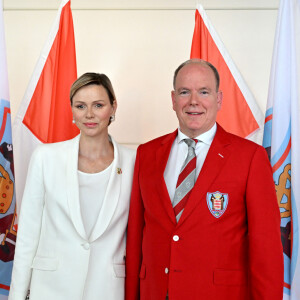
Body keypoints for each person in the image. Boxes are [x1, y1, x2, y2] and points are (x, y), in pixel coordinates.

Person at [125, 59, 283, 300]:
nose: (193, 101)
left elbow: (266, 250)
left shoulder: (250, 157)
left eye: (204, 92)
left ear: (219, 99)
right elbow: (136, 237)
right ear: (173, 99)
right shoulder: (147, 154)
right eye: (184, 92)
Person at [9, 73, 136, 300]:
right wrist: (17, 296)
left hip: (107, 289)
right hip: (50, 289)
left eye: (98, 105)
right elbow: (27, 236)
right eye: (80, 106)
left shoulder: (134, 162)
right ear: (72, 110)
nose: (89, 114)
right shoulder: (45, 158)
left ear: (113, 107)